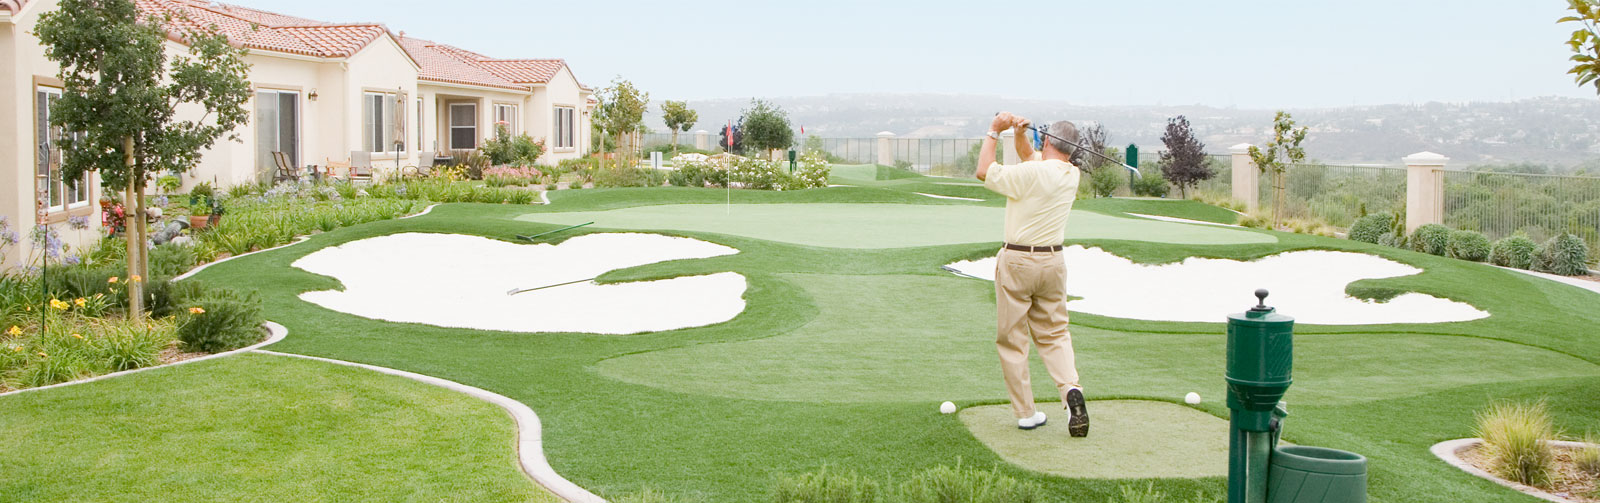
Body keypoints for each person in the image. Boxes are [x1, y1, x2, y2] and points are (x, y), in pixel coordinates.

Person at [974, 112, 1088, 436]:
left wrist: (994, 130)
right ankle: (1070, 391)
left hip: (1018, 261)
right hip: (1053, 264)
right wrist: (1021, 134)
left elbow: (984, 170)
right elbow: (1033, 158)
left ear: (1048, 140)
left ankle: (1026, 413)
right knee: (1054, 334)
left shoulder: (1031, 172)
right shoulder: (1071, 173)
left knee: (1013, 339)